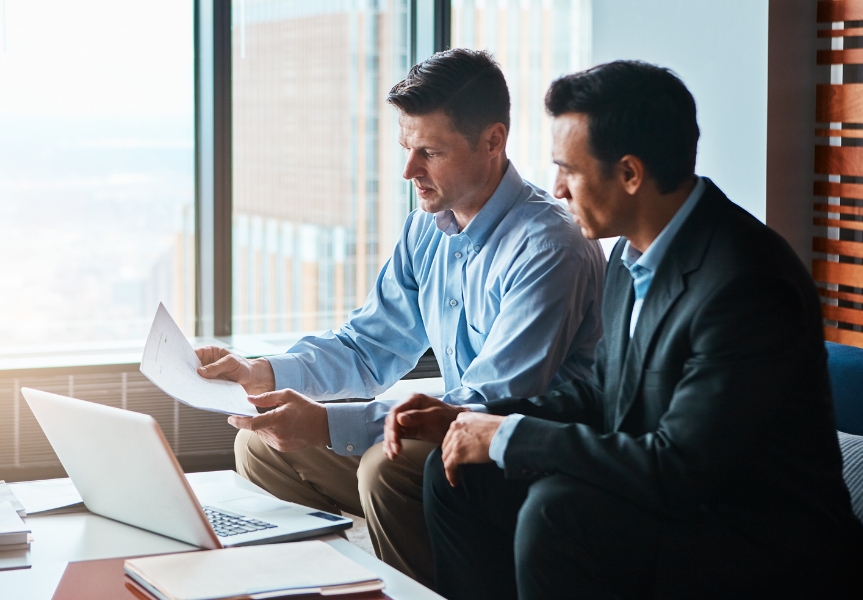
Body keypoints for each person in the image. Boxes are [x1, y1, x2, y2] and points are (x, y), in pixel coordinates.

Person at [385, 60, 863, 599]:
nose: (556, 189)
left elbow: (681, 466)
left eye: (569, 170)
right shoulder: (631, 256)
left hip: (756, 542)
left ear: (630, 174)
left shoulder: (745, 281)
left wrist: (509, 436)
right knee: (458, 477)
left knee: (558, 512)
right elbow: (605, 391)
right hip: (669, 510)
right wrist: (473, 419)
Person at [195, 48, 606, 587]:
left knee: (388, 469)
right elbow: (367, 347)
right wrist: (260, 374)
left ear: (493, 141)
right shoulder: (425, 228)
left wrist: (324, 423)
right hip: (453, 433)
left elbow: (491, 403)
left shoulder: (549, 245)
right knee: (261, 445)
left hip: (520, 453)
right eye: (406, 148)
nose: (408, 170)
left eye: (430, 152)